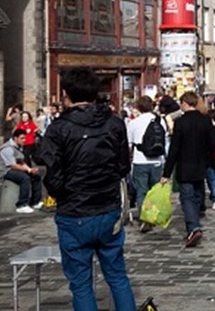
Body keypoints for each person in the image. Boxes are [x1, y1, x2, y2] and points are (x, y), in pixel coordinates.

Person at [37, 67, 136, 310]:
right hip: (106, 206)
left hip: (75, 211)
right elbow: (123, 165)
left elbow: (51, 172)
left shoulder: (58, 129)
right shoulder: (114, 124)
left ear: (66, 94)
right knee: (117, 275)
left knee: (81, 283)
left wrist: (61, 192)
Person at [161, 92, 215, 247]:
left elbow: (174, 150)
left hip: (185, 166)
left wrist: (166, 173)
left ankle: (193, 227)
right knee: (197, 194)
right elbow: (213, 142)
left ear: (185, 103)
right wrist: (209, 159)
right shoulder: (205, 120)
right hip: (201, 165)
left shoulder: (180, 122)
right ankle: (196, 220)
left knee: (186, 197)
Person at [127, 96, 168, 232]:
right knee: (154, 191)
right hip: (157, 160)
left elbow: (129, 144)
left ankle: (144, 218)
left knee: (141, 191)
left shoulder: (133, 123)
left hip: (140, 161)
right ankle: (152, 216)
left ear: (138, 107)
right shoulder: (159, 120)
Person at [1, 129, 43, 213]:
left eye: (25, 138)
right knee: (24, 178)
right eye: (22, 138)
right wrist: (28, 170)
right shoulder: (7, 148)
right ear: (15, 138)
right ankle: (21, 204)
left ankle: (35, 202)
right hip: (4, 171)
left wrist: (30, 170)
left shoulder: (18, 147)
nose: (24, 140)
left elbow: (21, 162)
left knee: (36, 176)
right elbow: (12, 165)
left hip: (13, 168)